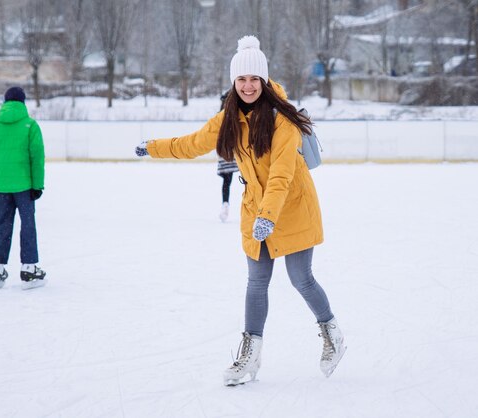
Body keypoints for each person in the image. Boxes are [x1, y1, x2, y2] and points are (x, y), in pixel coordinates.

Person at [135, 35, 346, 385]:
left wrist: (268, 216)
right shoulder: (228, 119)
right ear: (233, 82)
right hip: (255, 209)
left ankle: (333, 334)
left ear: (263, 81)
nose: (248, 86)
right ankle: (250, 357)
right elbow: (192, 144)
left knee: (300, 278)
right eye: (241, 79)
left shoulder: (283, 120)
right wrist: (153, 147)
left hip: (291, 206)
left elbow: (281, 175)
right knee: (256, 282)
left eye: (254, 79)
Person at [0, 86, 46, 290]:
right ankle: (28, 268)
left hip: (1, 184)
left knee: (1, 224)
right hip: (24, 185)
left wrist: (1, 170)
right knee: (27, 224)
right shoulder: (30, 124)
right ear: (22, 102)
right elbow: (37, 158)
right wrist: (37, 185)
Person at [216, 91, 239, 222]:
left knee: (227, 182)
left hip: (226, 153)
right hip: (236, 152)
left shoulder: (219, 117)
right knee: (249, 179)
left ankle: (225, 204)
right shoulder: (235, 114)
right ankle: (225, 205)